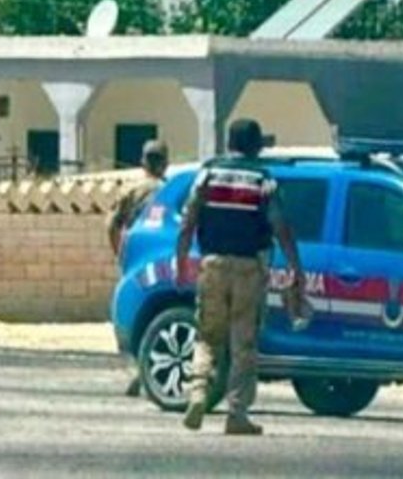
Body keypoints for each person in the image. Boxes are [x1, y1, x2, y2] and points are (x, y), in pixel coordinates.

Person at [175, 118, 303, 435]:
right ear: (256, 145)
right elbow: (280, 225)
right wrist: (294, 266)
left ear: (229, 143)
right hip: (248, 267)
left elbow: (188, 219)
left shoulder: (207, 174)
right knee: (243, 344)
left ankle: (199, 393)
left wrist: (181, 260)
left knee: (207, 336)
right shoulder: (262, 179)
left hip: (212, 264)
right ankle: (236, 413)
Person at [105, 139, 170, 397]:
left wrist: (119, 253)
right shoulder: (167, 191)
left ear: (143, 162)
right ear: (165, 163)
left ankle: (139, 370)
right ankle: (149, 372)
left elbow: (111, 224)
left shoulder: (131, 190)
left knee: (133, 312)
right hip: (164, 261)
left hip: (135, 259)